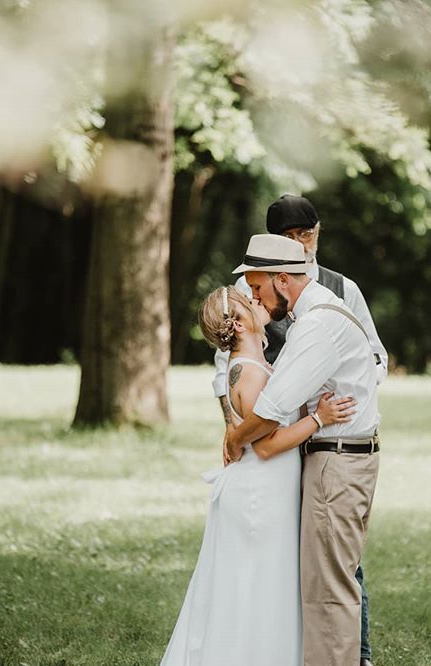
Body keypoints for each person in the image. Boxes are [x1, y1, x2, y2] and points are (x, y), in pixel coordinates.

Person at [213, 194, 385, 666]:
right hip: (330, 456)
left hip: (336, 462)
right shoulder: (314, 313)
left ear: (282, 280)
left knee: (328, 594)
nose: (254, 298)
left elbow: (270, 409)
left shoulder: (317, 325)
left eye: (257, 287)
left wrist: (234, 436)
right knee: (322, 585)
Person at [160, 285, 357, 666]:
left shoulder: (256, 366)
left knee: (264, 586)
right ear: (237, 323)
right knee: (255, 589)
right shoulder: (247, 374)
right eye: (247, 301)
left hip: (269, 491)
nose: (255, 300)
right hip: (257, 496)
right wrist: (320, 419)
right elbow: (266, 445)